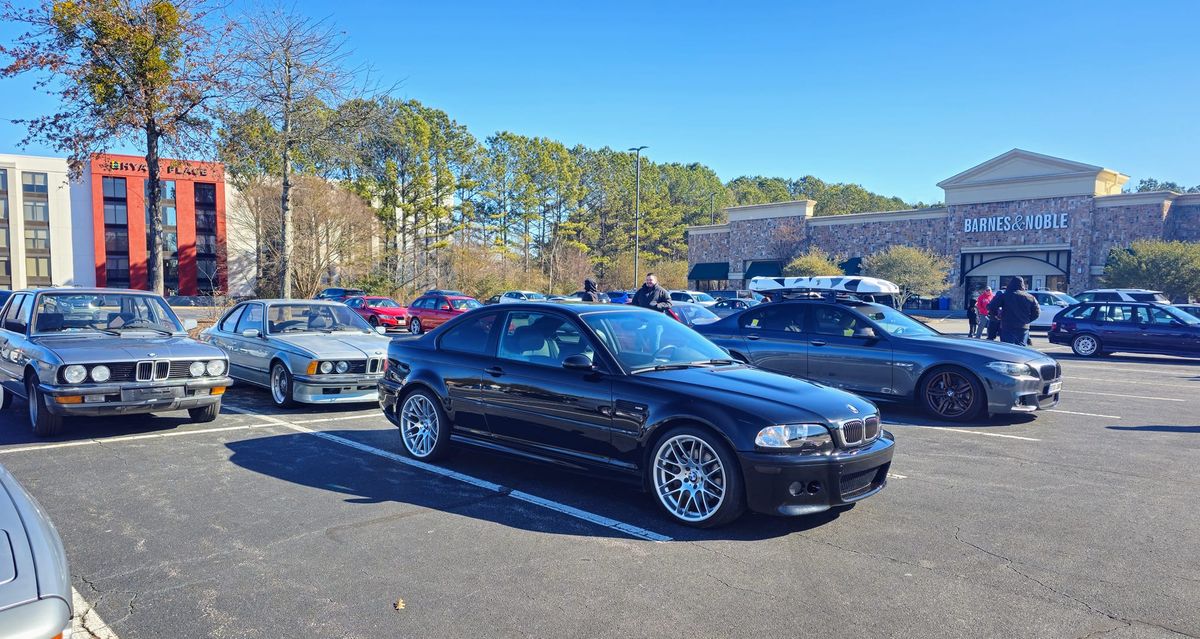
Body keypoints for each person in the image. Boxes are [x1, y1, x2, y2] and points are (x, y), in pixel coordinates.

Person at [989, 276, 1040, 346]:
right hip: (1023, 326)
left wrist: (996, 316)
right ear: (1023, 285)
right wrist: (1027, 320)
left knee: (1008, 349)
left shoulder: (1005, 295)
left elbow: (991, 306)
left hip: (1007, 325)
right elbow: (1037, 313)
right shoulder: (1030, 297)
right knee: (1021, 349)